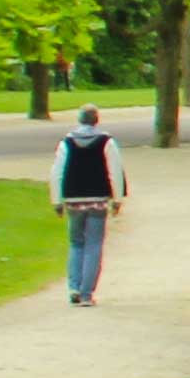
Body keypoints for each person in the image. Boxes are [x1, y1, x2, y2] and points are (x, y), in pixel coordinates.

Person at [52, 105, 126, 303]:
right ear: (96, 120)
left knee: (76, 243)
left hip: (74, 199)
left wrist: (57, 200)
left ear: (80, 119)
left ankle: (74, 287)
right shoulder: (106, 142)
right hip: (98, 199)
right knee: (94, 243)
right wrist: (117, 198)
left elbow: (57, 172)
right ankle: (87, 293)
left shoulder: (66, 142)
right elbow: (115, 171)